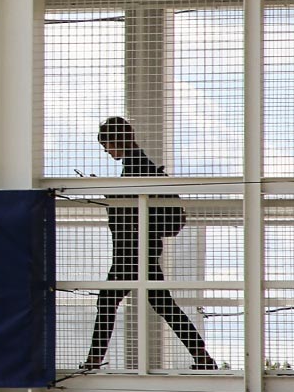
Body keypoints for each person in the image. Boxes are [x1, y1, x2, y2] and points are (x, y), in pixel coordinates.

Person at [84, 116, 218, 371]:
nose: (107, 152)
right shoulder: (140, 163)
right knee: (163, 305)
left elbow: (132, 206)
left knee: (108, 302)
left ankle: (94, 360)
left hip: (131, 254)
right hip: (142, 252)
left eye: (107, 146)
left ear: (117, 140)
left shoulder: (136, 165)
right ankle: (202, 357)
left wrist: (107, 192)